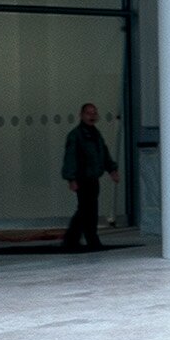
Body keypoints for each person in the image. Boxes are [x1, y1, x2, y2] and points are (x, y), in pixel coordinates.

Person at [59, 102, 117, 252]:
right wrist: (71, 178)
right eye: (88, 113)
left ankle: (76, 238)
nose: (92, 116)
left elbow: (103, 153)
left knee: (88, 210)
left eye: (94, 113)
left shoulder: (95, 134)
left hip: (92, 178)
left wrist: (111, 169)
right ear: (81, 115)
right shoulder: (76, 136)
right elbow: (70, 157)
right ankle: (85, 239)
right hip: (82, 178)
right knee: (86, 210)